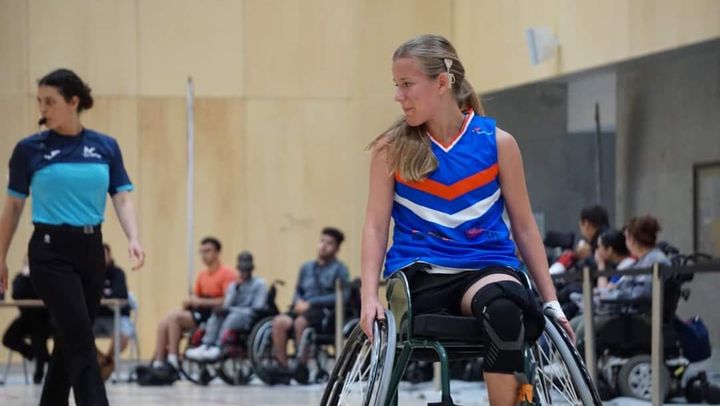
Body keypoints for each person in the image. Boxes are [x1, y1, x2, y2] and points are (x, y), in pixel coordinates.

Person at [358, 35, 573, 406]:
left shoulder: (498, 143)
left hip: (484, 269)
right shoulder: (390, 149)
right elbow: (376, 227)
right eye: (397, 86)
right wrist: (367, 296)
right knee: (489, 302)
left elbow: (523, 226)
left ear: (442, 83)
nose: (398, 96)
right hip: (419, 274)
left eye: (407, 85)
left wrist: (551, 300)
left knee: (506, 308)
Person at [0, 68, 145, 406]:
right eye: (39, 102)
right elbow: (13, 209)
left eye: (50, 102)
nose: (43, 109)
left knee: (70, 337)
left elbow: (121, 196)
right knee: (81, 339)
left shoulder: (105, 146)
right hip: (50, 253)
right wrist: (2, 256)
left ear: (74, 102)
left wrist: (134, 238)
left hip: (91, 250)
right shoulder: (29, 150)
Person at [571, 216, 671, 341]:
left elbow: (641, 293)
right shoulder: (645, 260)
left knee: (583, 329)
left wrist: (609, 296)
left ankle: (581, 360)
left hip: (637, 315)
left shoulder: (654, 260)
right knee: (573, 324)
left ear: (632, 239)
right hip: (629, 311)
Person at [270, 227, 349, 383]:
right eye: (322, 241)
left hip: (323, 312)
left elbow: (343, 296)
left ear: (337, 248)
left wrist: (311, 303)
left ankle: (301, 366)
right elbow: (297, 290)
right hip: (301, 307)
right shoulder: (306, 268)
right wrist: (297, 302)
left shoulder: (340, 269)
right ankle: (284, 367)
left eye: (329, 243)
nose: (323, 246)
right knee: (279, 321)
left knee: (300, 323)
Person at [150, 237, 235, 374]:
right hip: (199, 312)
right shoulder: (202, 275)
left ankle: (173, 360)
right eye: (201, 252)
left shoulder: (227, 273)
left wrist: (201, 302)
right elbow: (196, 297)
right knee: (163, 323)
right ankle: (158, 363)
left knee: (174, 317)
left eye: (207, 251)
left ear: (218, 252)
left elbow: (228, 301)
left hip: (215, 314)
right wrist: (190, 301)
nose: (204, 255)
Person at [185, 251, 267, 361]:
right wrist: (236, 290)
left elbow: (258, 307)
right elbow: (227, 304)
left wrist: (231, 310)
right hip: (232, 311)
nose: (243, 272)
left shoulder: (260, 284)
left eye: (246, 269)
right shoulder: (234, 285)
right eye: (241, 270)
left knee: (232, 316)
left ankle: (219, 346)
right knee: (217, 313)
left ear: (251, 269)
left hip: (248, 316)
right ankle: (206, 344)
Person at [2, 256, 51, 384]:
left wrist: (34, 277)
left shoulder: (44, 278)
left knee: (38, 335)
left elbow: (43, 295)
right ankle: (38, 355)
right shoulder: (20, 278)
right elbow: (16, 294)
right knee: (8, 338)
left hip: (43, 317)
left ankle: (40, 366)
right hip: (26, 317)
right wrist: (25, 277)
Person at [93, 244, 133, 380]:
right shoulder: (89, 273)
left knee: (123, 335)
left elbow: (121, 294)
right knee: (78, 333)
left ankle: (108, 360)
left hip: (117, 316)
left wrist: (102, 298)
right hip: (96, 318)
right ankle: (103, 360)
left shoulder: (117, 273)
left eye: (104, 254)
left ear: (110, 256)